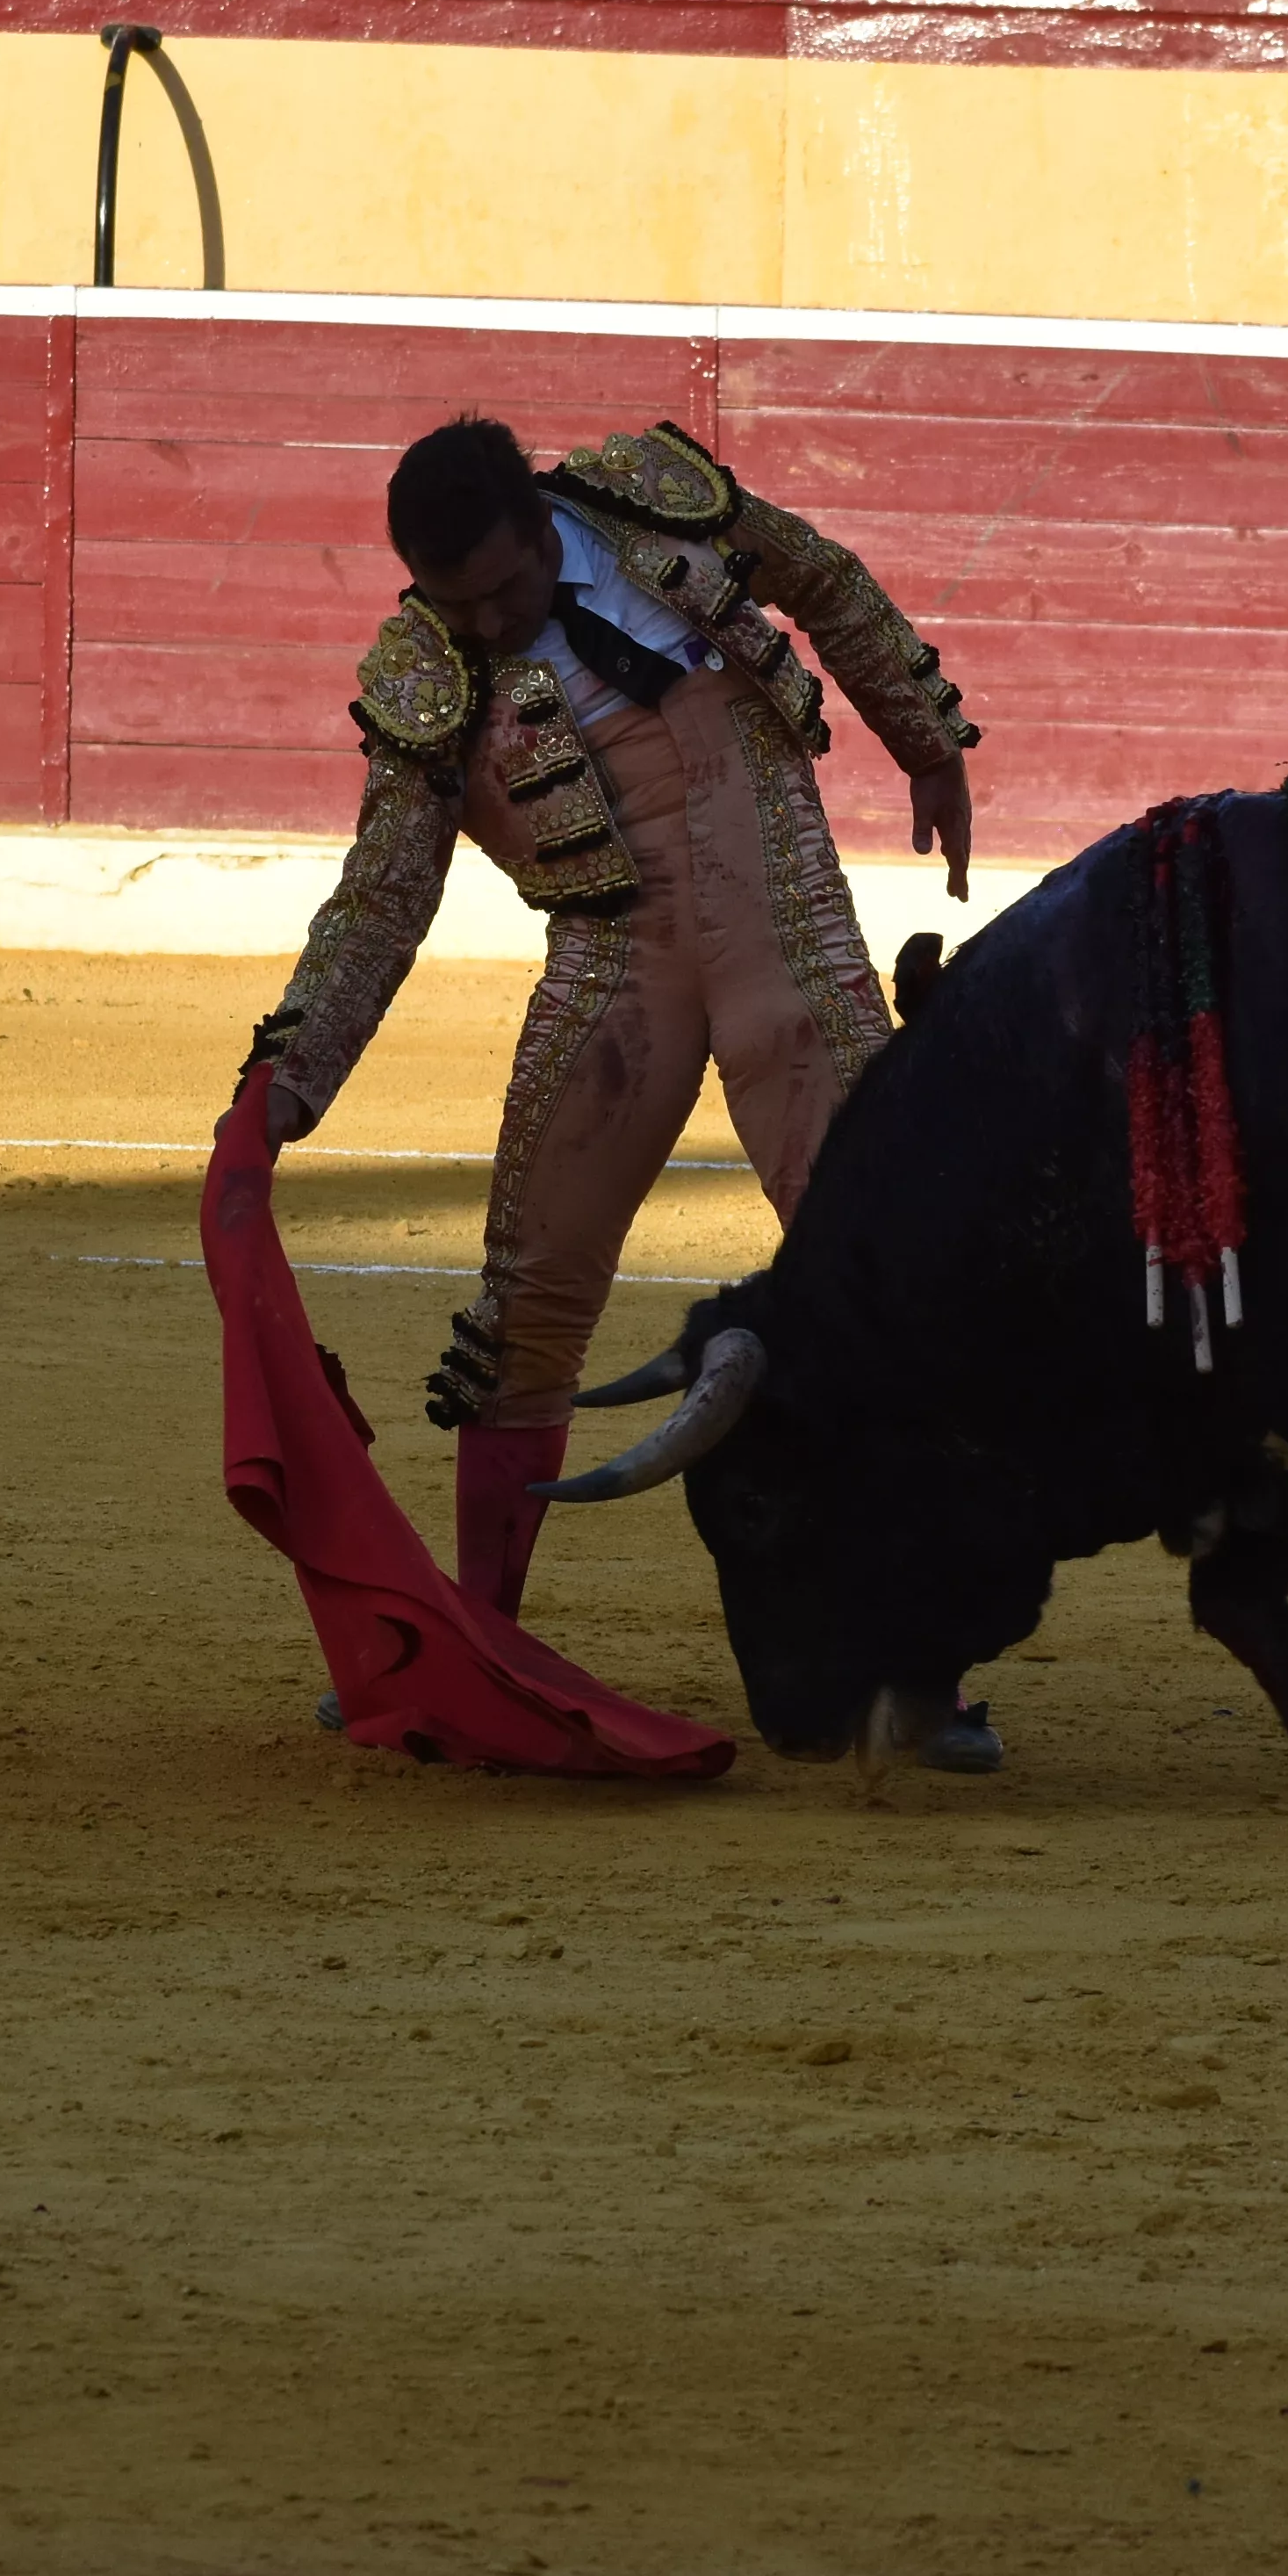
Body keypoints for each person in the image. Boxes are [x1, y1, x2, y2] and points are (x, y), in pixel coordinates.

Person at [242, 415, 978, 1685]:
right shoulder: (428, 672)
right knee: (524, 1309)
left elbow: (819, 573)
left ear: (542, 524)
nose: (484, 625)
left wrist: (924, 737)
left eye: (505, 591)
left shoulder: (656, 504)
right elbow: (382, 894)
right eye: (453, 604)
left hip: (786, 940)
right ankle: (484, 1642)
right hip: (614, 979)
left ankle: (926, 1663)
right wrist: (291, 1073)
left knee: (888, 1289)